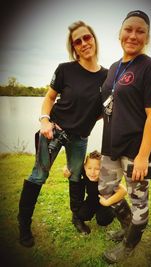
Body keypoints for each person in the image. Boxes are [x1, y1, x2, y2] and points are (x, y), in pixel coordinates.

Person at [17, 20, 108, 247]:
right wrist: (45, 120)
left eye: (87, 37)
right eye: (77, 41)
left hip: (80, 138)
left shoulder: (107, 77)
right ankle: (24, 224)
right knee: (38, 176)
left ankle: (77, 218)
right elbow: (49, 98)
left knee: (77, 177)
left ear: (94, 38)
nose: (84, 43)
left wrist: (87, 120)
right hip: (54, 131)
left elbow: (101, 110)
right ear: (74, 47)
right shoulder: (64, 69)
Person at [98, 10, 151, 263]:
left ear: (147, 37)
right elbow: (107, 103)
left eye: (140, 31)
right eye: (129, 29)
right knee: (106, 190)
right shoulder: (115, 68)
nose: (133, 35)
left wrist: (142, 156)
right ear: (120, 33)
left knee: (139, 200)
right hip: (110, 146)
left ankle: (129, 245)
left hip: (136, 149)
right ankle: (127, 227)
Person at [63, 150, 128, 231]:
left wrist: (108, 202)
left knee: (103, 221)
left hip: (105, 202)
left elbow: (124, 190)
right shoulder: (85, 173)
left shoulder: (106, 178)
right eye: (89, 168)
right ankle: (89, 213)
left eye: (97, 169)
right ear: (85, 167)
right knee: (82, 214)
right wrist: (66, 168)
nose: (92, 172)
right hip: (91, 201)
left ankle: (113, 212)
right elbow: (72, 167)